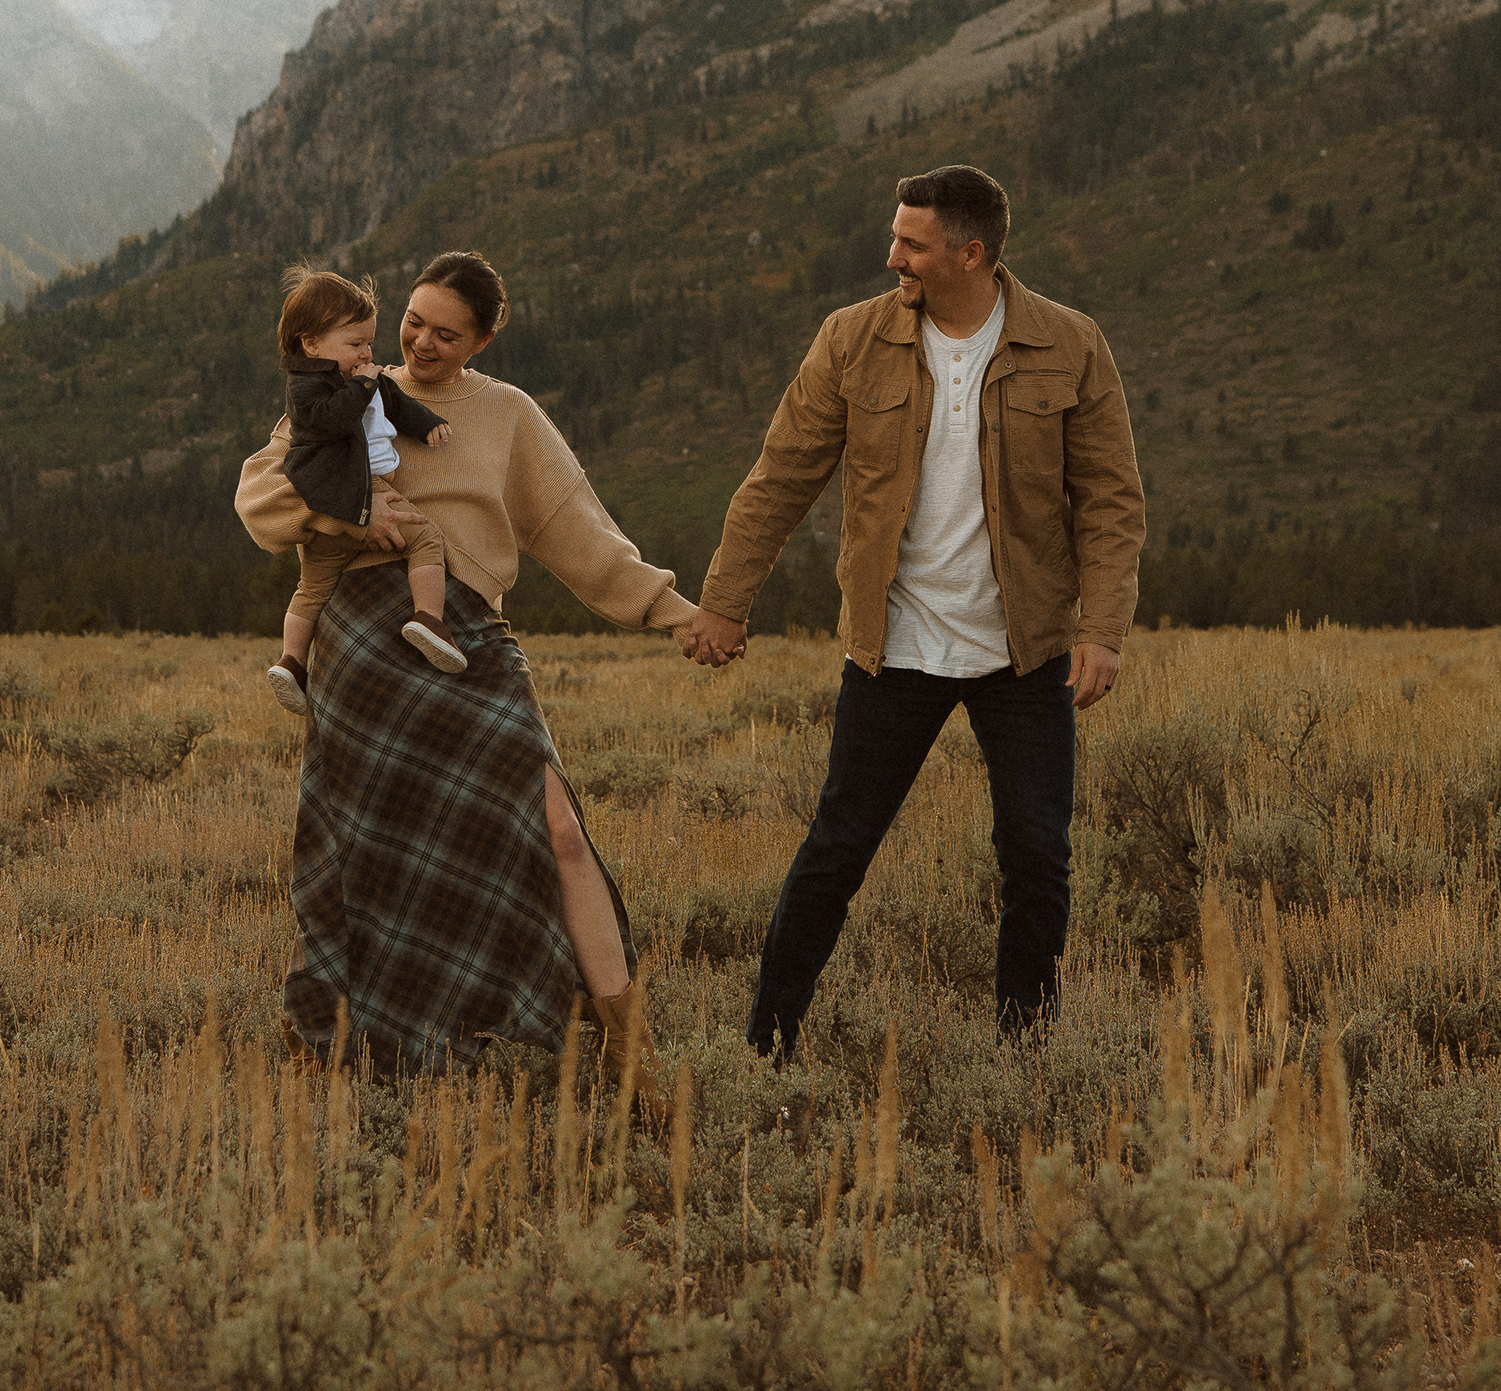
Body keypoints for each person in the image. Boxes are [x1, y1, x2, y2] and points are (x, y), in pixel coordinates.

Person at [685, 163, 1145, 1057]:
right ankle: (765, 1047)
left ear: (970, 254)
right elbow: (780, 478)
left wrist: (1102, 631)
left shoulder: (1070, 343)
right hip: (892, 646)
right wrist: (724, 602)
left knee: (1038, 863)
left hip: (1027, 650)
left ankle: (1025, 1056)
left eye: (911, 243)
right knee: (836, 850)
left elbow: (1111, 501)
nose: (890, 254)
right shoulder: (852, 339)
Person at [232, 250, 699, 1086]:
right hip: (362, 637)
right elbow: (260, 498)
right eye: (412, 322)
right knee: (373, 852)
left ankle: (631, 1049)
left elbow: (578, 531)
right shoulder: (355, 386)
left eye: (447, 335)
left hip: (465, 629)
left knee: (556, 823)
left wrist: (672, 611)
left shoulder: (508, 416)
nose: (420, 344)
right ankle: (358, 1041)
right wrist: (351, 511)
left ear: (481, 341)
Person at [263, 267, 464, 711]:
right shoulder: (307, 386)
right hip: (347, 495)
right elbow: (333, 417)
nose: (366, 352)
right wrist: (363, 383)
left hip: (334, 505)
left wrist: (425, 423)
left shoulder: (367, 379)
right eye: (354, 343)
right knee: (426, 538)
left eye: (368, 341)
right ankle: (430, 618)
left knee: (312, 586)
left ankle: (293, 664)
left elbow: (397, 403)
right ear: (310, 344)